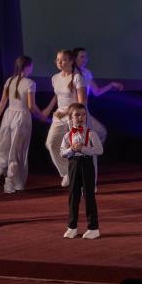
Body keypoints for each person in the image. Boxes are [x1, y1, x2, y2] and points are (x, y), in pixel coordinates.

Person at [0, 56, 46, 193]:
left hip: (8, 115)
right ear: (28, 66)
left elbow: (3, 102)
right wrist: (42, 116)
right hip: (22, 117)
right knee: (18, 150)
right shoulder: (30, 83)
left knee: (6, 146)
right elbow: (31, 106)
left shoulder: (9, 80)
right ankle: (10, 182)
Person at [42, 50, 86, 187]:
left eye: (63, 59)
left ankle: (82, 180)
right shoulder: (55, 78)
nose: (59, 62)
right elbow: (58, 95)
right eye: (57, 59)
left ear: (71, 61)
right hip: (59, 116)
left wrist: (67, 112)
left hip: (74, 116)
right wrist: (48, 109)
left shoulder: (77, 77)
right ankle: (66, 172)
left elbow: (82, 102)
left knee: (77, 149)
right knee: (51, 143)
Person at [60, 103, 103, 239]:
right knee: (73, 196)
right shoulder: (67, 136)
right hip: (73, 165)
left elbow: (99, 150)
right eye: (77, 115)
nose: (81, 117)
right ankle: (72, 227)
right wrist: (71, 149)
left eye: (83, 115)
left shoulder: (91, 134)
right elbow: (62, 153)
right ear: (70, 118)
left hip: (86, 164)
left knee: (89, 196)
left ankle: (93, 228)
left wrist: (83, 149)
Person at [71, 47, 123, 144]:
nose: (85, 59)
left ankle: (89, 151)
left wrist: (111, 85)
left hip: (83, 109)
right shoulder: (70, 73)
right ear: (75, 58)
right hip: (72, 109)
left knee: (101, 132)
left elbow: (97, 92)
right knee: (78, 139)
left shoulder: (86, 73)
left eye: (86, 57)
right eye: (82, 57)